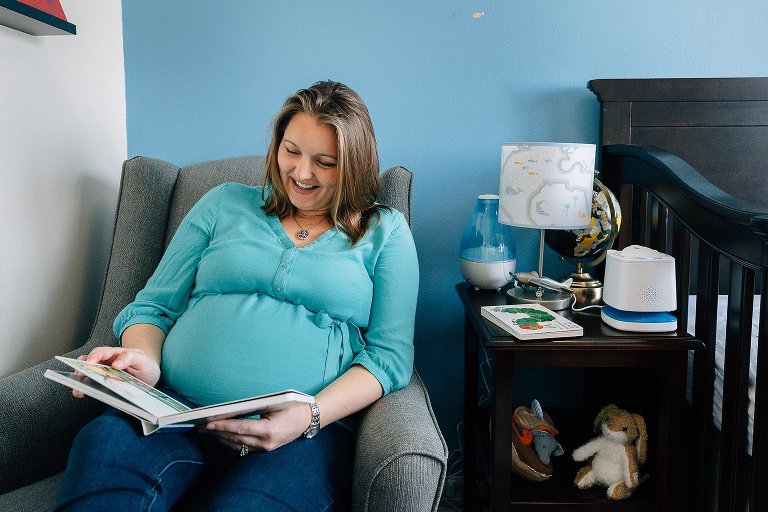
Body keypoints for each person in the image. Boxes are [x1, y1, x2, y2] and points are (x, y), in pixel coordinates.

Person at [54, 80, 419, 512]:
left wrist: (310, 415)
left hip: (296, 437)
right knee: (103, 450)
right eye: (291, 151)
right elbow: (152, 308)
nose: (301, 173)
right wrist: (146, 362)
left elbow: (388, 357)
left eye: (325, 162)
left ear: (355, 165)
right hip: (174, 410)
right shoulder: (223, 203)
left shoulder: (385, 231)